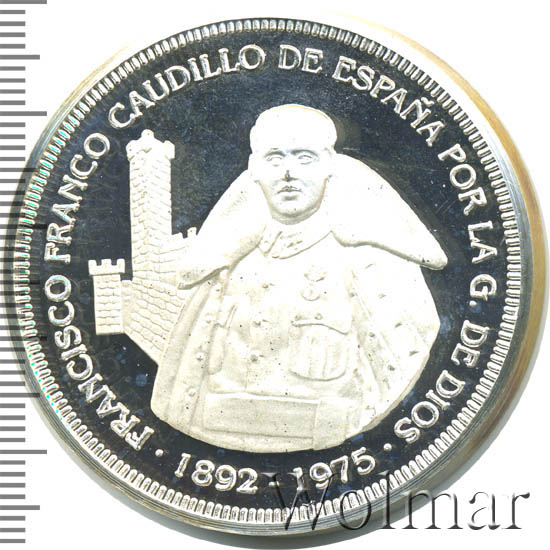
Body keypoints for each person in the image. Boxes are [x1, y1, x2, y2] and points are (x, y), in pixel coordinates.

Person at [150, 104, 448, 452]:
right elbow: (184, 383)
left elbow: (398, 375)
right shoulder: (226, 266)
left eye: (305, 158)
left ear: (330, 166)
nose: (288, 173)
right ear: (254, 169)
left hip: (330, 450)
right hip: (215, 442)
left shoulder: (371, 263)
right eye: (275, 159)